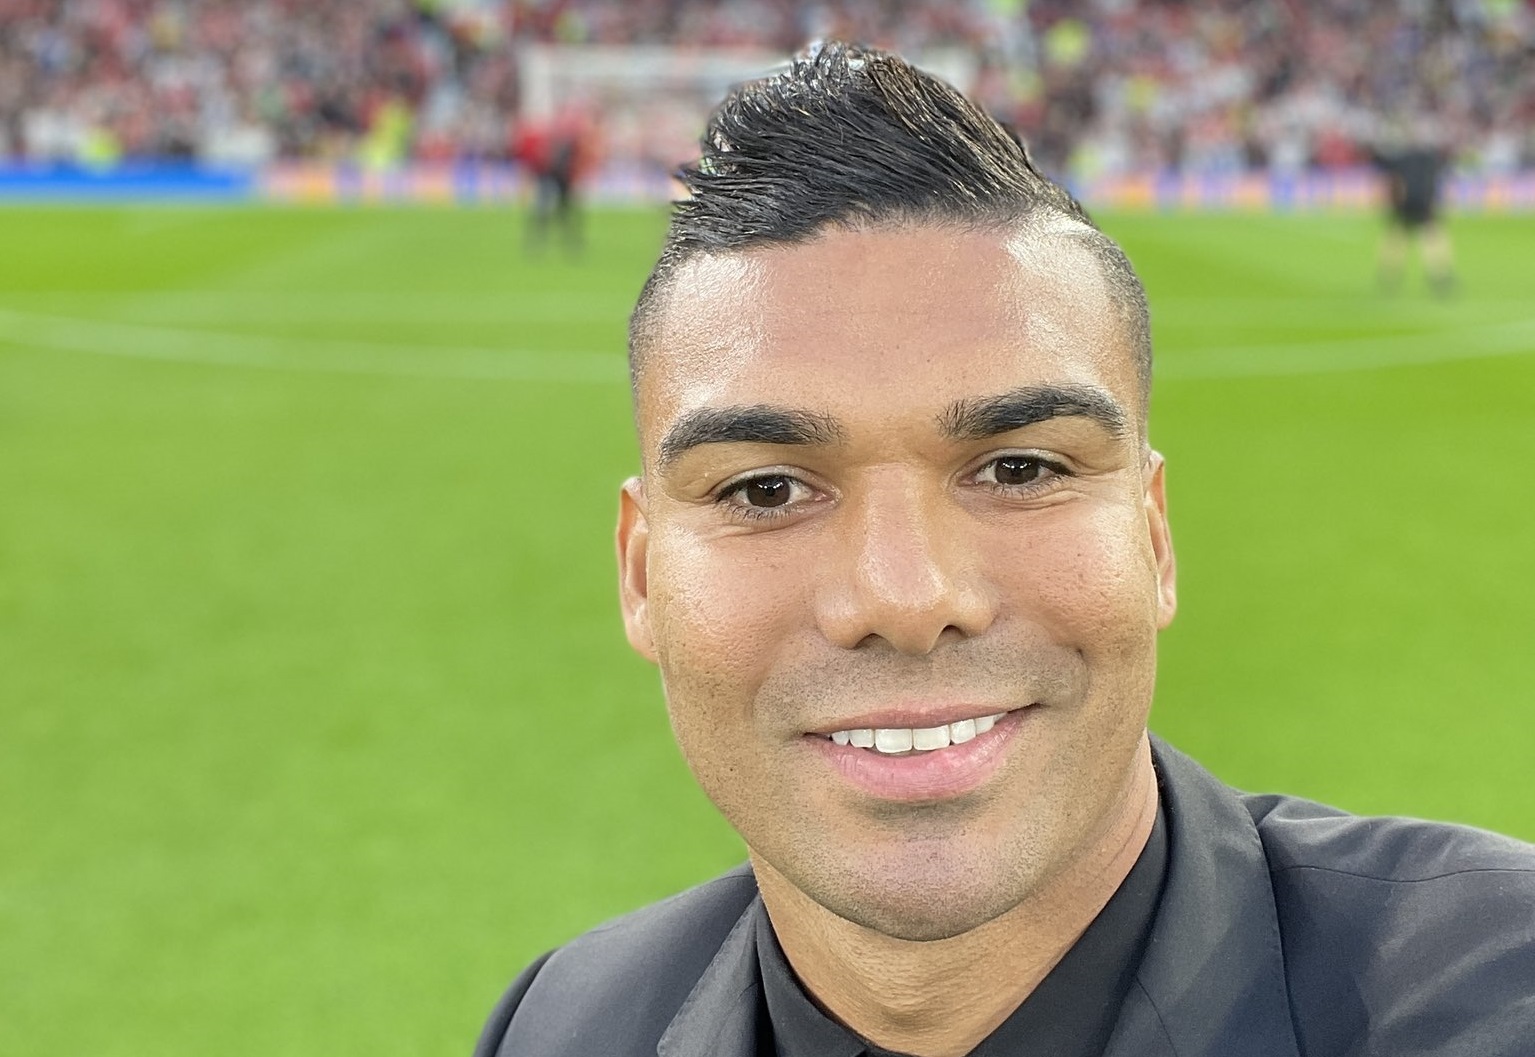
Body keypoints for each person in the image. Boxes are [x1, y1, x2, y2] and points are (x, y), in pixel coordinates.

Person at [476, 43, 1535, 1057]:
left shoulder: (1498, 994)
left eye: (1020, 469)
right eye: (764, 489)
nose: (905, 597)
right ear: (639, 575)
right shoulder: (563, 1025)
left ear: (1153, 535)